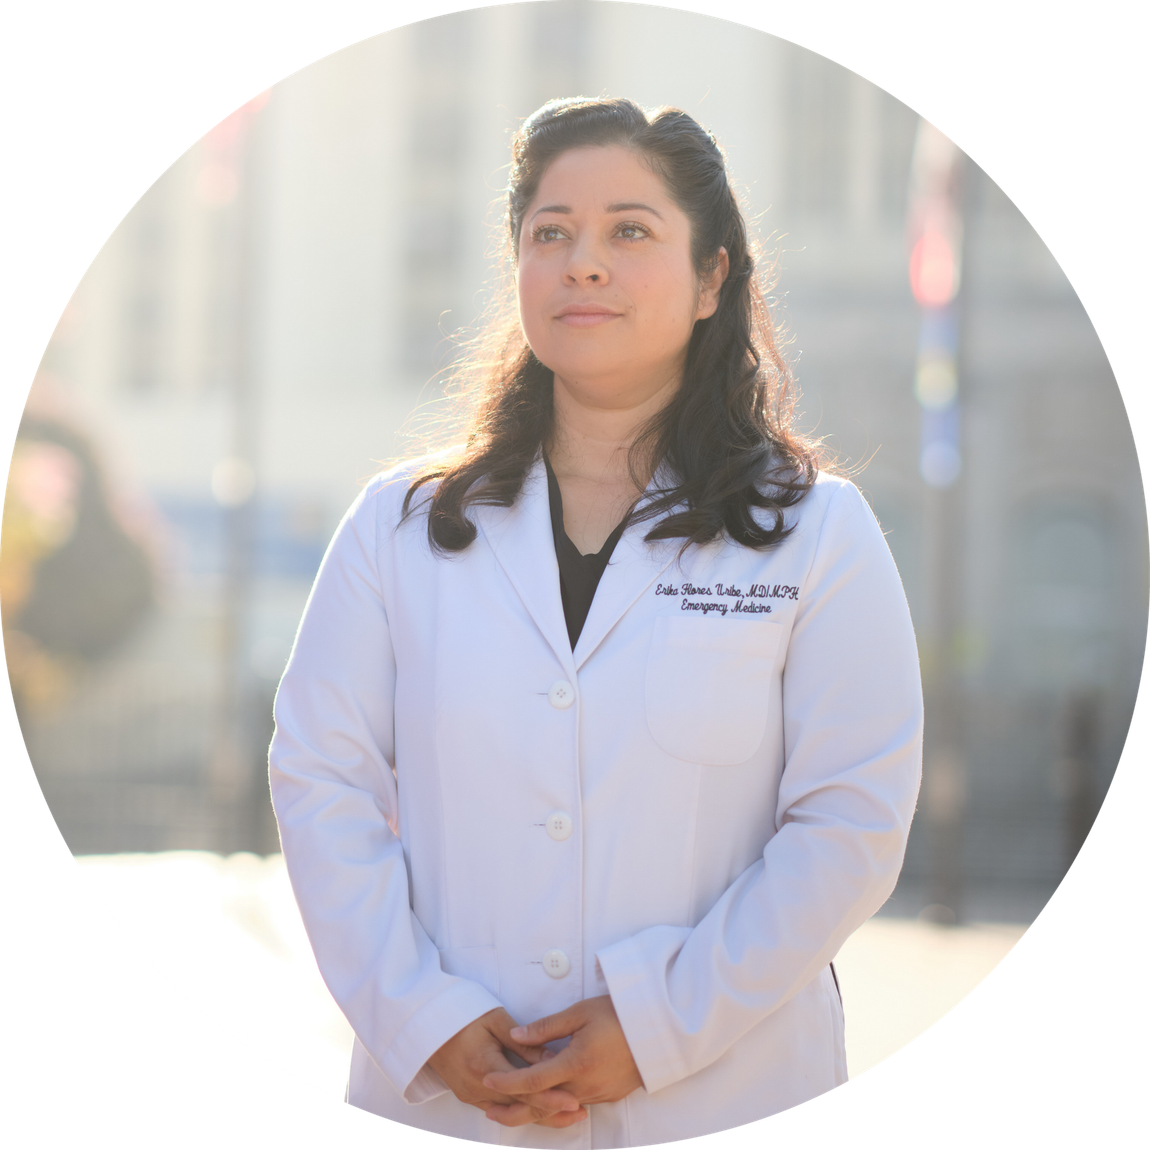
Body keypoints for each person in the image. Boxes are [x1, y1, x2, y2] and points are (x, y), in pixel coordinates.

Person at [269, 96, 922, 1145]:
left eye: (630, 230)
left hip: (723, 1090)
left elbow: (849, 826)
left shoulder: (815, 534)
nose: (582, 262)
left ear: (712, 278)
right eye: (550, 234)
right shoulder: (396, 529)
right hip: (448, 1098)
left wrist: (658, 1025)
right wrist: (426, 1020)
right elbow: (321, 783)